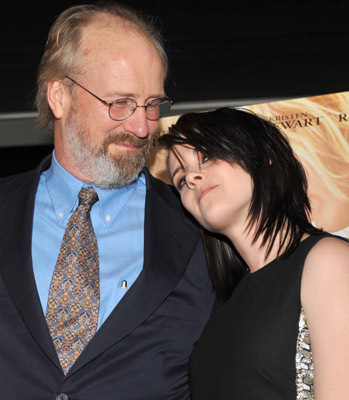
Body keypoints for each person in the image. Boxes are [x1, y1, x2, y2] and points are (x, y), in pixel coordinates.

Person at [0, 3, 216, 399]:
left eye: (152, 105)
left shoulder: (202, 234)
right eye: (120, 103)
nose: (141, 127)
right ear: (60, 97)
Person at [159, 107, 349, 399]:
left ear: (264, 155)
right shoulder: (223, 307)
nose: (193, 178)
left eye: (206, 156)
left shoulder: (328, 261)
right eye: (180, 179)